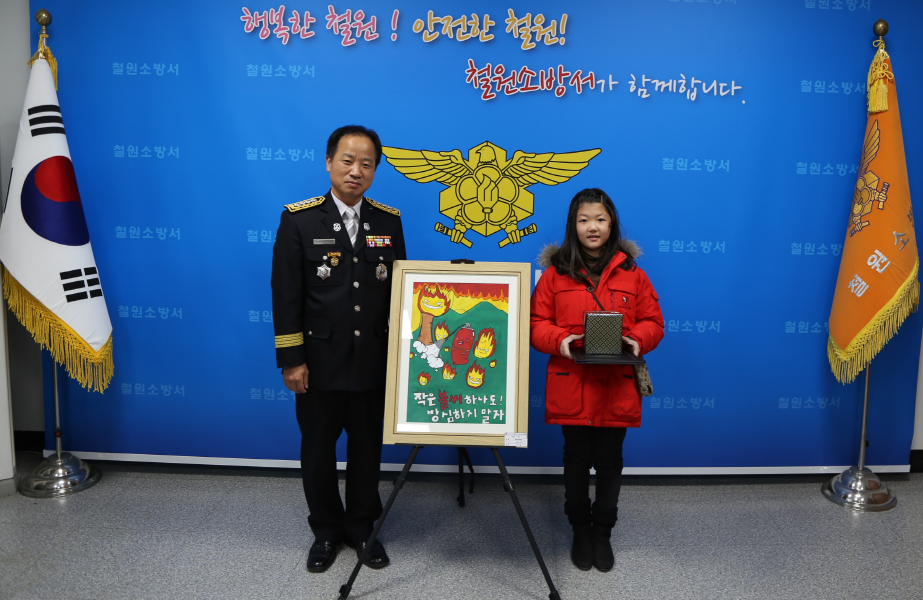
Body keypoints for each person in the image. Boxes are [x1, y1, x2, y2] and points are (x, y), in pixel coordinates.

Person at [271, 125, 406, 573]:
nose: (356, 171)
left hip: (372, 363)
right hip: (318, 364)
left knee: (368, 450)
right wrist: (292, 360)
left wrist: (402, 359)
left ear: (375, 171)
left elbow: (400, 294)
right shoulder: (299, 220)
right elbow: (286, 295)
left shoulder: (388, 222)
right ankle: (326, 531)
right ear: (329, 162)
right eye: (347, 160)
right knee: (318, 451)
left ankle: (362, 527)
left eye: (366, 163)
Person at [529, 188, 664, 572]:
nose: (593, 227)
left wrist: (636, 339)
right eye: (584, 220)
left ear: (612, 224)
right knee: (575, 460)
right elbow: (536, 324)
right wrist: (561, 340)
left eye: (600, 219)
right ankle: (580, 530)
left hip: (615, 384)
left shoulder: (633, 274)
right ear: (573, 225)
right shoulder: (555, 275)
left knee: (609, 461)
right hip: (571, 381)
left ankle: (602, 532)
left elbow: (654, 322)